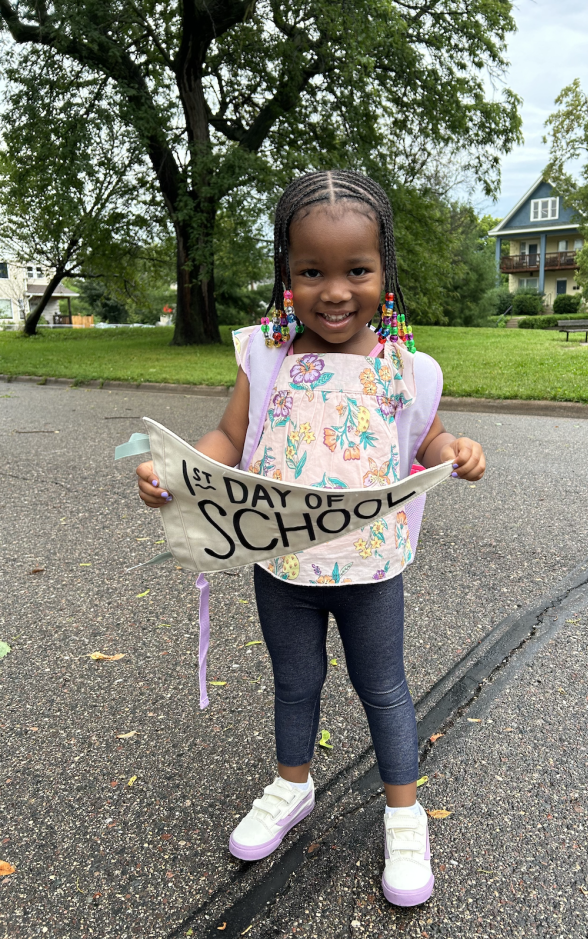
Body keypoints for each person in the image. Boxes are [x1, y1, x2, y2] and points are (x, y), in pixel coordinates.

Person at [135, 170, 485, 907]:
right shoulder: (264, 358)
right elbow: (229, 437)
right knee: (295, 681)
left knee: (382, 686)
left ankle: (403, 811)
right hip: (282, 562)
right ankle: (292, 785)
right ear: (284, 273)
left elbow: (428, 438)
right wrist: (179, 471)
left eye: (356, 269)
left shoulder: (406, 368)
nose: (334, 290)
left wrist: (455, 450)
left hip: (371, 568)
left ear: (385, 269)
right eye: (311, 271)